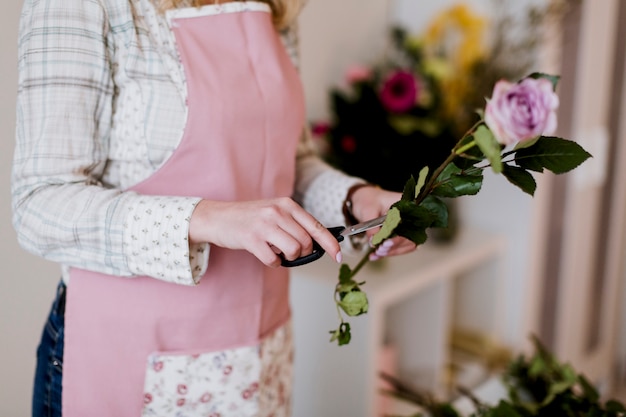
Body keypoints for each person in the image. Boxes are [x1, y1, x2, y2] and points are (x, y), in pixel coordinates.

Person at [12, 0, 417, 416]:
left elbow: (287, 163)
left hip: (260, 353)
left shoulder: (275, 7)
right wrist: (207, 218)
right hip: (128, 356)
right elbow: (40, 205)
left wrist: (355, 200)